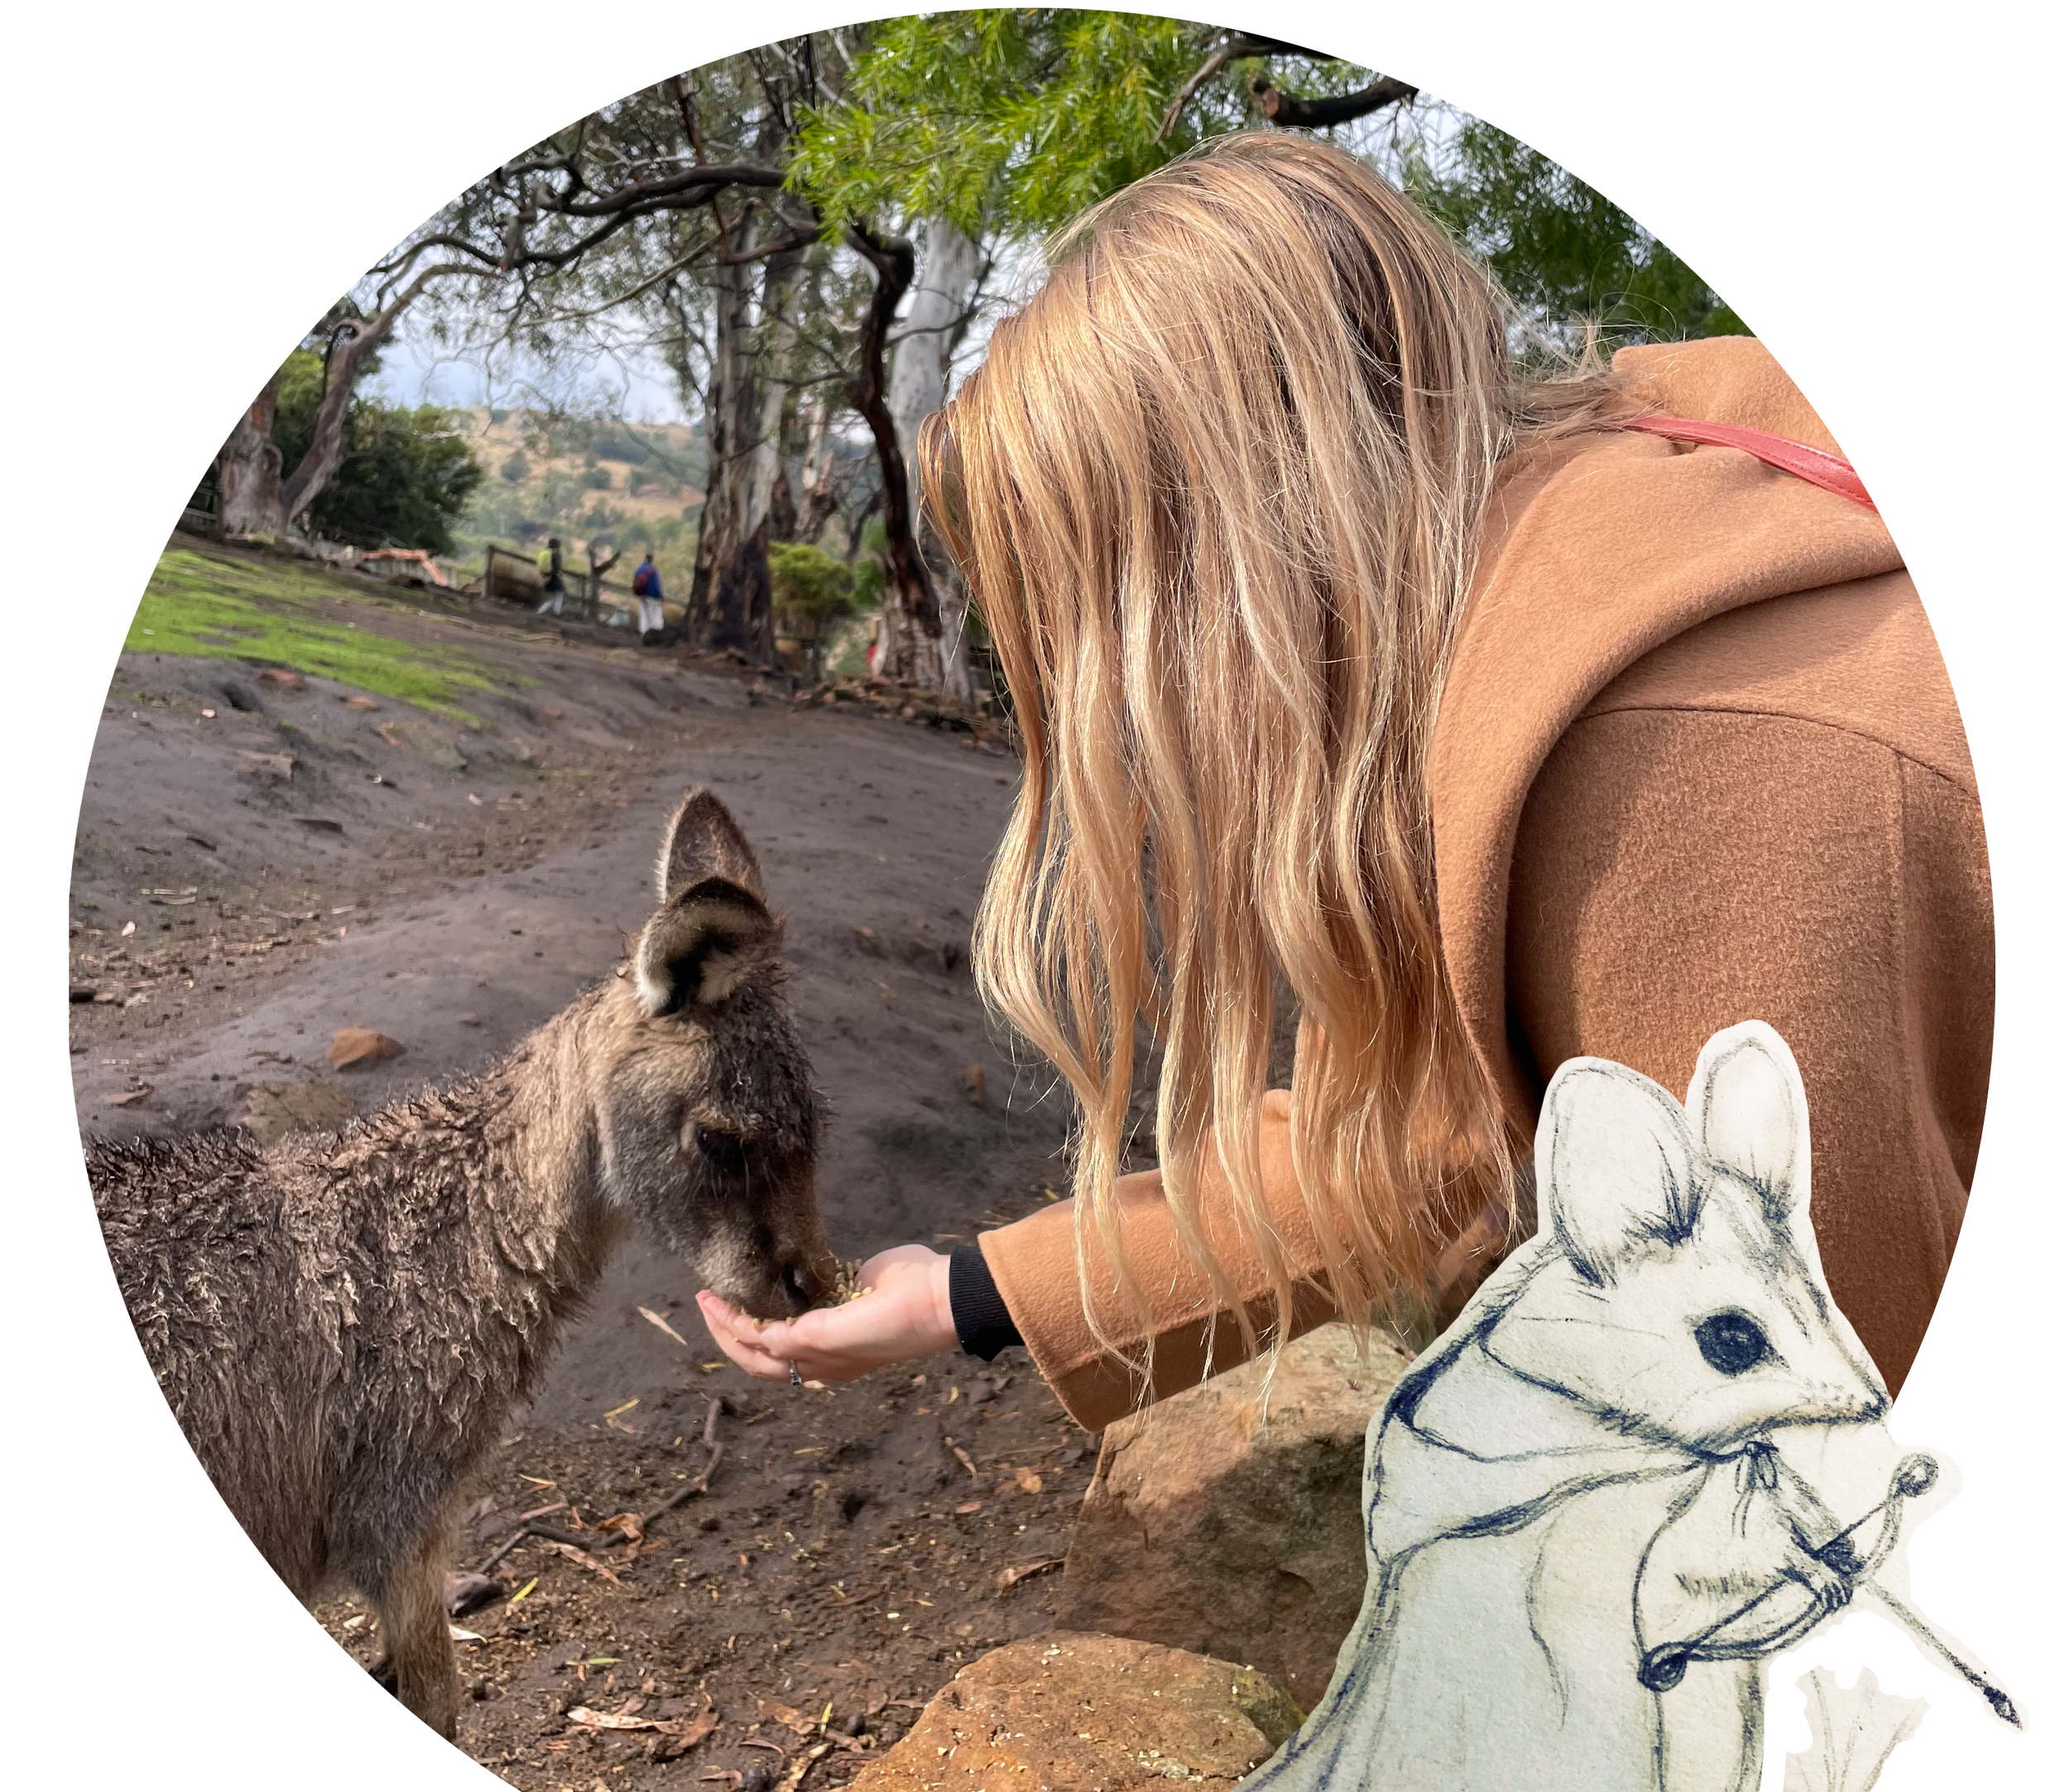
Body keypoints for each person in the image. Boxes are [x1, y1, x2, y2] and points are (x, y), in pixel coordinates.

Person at [695, 132, 1993, 1435]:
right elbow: (1428, 1132)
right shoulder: (1564, 582)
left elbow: (1828, 1472)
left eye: (1099, 630)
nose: (1132, 726)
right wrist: (968, 1293)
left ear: (1229, 568)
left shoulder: (1681, 770)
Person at [631, 550, 665, 638]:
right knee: (655, 615)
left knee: (644, 614)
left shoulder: (639, 569)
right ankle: (655, 635)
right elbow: (657, 585)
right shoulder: (652, 570)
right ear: (652, 559)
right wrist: (661, 596)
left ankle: (643, 633)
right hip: (653, 596)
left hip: (642, 595)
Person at [535, 536, 564, 616]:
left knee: (554, 596)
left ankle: (541, 611)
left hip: (545, 576)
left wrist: (545, 577)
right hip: (553, 577)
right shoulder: (556, 554)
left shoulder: (546, 552)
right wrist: (550, 576)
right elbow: (556, 568)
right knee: (559, 593)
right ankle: (556, 613)